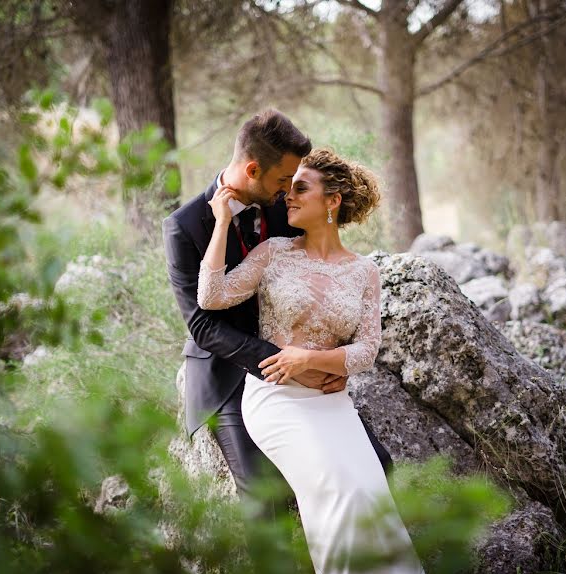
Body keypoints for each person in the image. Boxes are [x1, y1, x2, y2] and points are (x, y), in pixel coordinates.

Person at [196, 147, 435, 574]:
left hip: (332, 403)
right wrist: (223, 220)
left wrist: (311, 359)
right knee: (339, 494)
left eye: (300, 188)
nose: (288, 196)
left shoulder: (364, 272)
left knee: (370, 497)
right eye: (288, 187)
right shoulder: (273, 254)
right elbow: (211, 296)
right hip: (276, 400)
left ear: (333, 201)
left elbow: (366, 349)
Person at [162, 109, 393, 523]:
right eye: (283, 181)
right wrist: (285, 364)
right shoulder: (184, 226)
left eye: (293, 183)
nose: (288, 191)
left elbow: (315, 276)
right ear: (253, 169)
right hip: (228, 372)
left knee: (377, 465)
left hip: (300, 363)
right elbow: (202, 324)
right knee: (265, 498)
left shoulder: (281, 204)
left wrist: (325, 358)